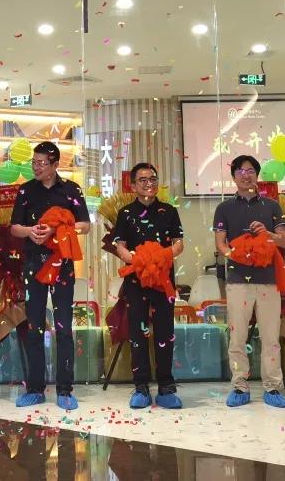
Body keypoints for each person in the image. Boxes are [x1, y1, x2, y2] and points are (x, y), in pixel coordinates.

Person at [10, 141, 90, 410]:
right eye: (34, 162)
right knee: (34, 326)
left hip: (62, 263)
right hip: (34, 263)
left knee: (64, 327)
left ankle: (65, 389)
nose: (36, 167)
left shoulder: (71, 189)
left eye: (41, 163)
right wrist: (31, 231)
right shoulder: (25, 190)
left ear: (55, 164)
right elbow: (14, 227)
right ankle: (35, 388)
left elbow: (85, 225)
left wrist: (58, 230)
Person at [213, 155, 285, 408]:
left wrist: (267, 234)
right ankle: (239, 386)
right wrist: (235, 255)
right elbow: (221, 244)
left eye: (250, 171)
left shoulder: (272, 206)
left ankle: (273, 387)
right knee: (238, 336)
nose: (246, 175)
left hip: (268, 280)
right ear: (234, 177)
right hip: (237, 281)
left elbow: (283, 240)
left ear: (257, 175)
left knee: (271, 337)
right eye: (240, 171)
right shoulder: (224, 208)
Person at [112, 162, 185, 409]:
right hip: (136, 280)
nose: (149, 184)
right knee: (138, 332)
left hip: (163, 280)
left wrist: (162, 257)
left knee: (165, 330)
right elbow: (120, 246)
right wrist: (137, 260)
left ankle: (166, 386)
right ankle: (141, 387)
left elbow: (179, 243)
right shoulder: (125, 213)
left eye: (152, 179)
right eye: (142, 180)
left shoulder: (169, 211)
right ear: (133, 185)